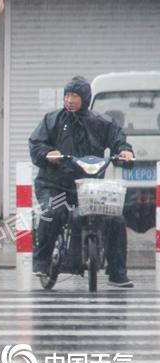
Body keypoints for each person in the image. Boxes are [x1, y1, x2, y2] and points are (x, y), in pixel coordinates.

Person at [29, 76, 135, 288]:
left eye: (75, 96)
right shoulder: (52, 120)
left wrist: (124, 151)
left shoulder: (101, 122)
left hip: (89, 188)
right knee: (52, 213)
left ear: (85, 98)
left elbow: (118, 140)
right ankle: (42, 261)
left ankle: (117, 273)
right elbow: (36, 144)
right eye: (67, 95)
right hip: (54, 185)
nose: (69, 100)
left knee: (115, 219)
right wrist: (49, 153)